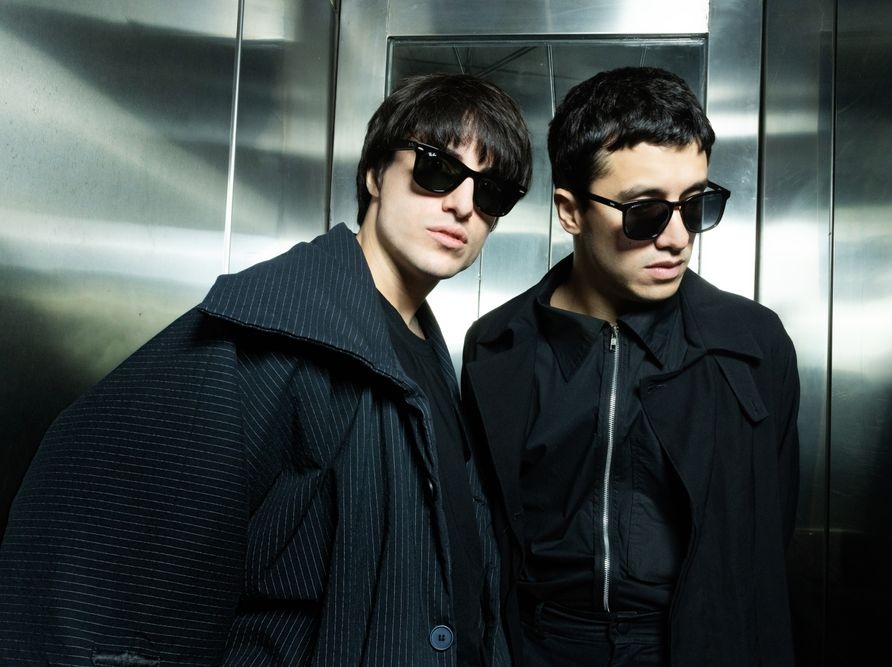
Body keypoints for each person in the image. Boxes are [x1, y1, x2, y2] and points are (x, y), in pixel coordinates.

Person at [0, 73, 532, 666]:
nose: (463, 205)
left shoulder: (431, 356)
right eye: (437, 168)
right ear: (375, 174)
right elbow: (94, 553)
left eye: (491, 193)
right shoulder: (269, 333)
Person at [462, 67, 799, 666]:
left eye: (695, 205)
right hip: (540, 647)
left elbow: (765, 542)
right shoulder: (497, 347)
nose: (677, 238)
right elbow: (482, 540)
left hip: (697, 645)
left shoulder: (751, 345)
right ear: (570, 211)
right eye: (645, 212)